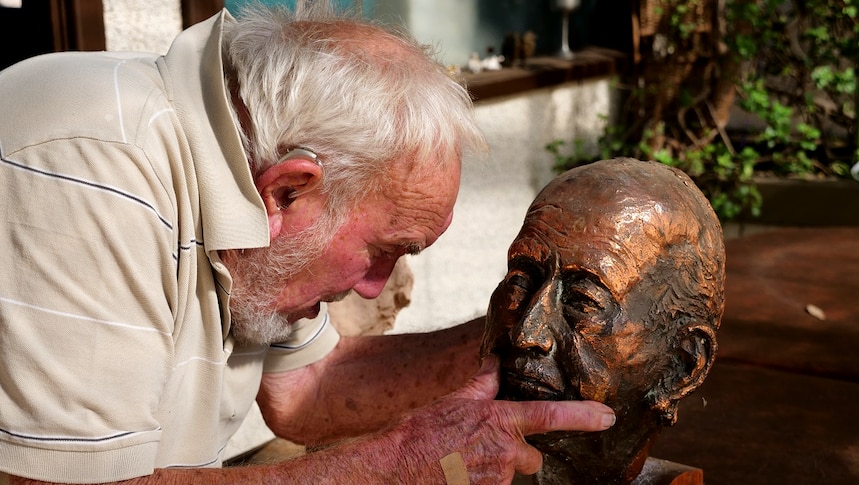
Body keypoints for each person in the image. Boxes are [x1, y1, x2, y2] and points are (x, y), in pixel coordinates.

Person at [0, 2, 617, 484]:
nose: (379, 285)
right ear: (289, 190)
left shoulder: (250, 178)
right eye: (386, 249)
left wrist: (524, 335)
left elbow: (312, 390)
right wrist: (390, 467)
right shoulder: (93, 168)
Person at [481, 159, 726, 484]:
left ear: (682, 366)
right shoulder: (452, 459)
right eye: (522, 280)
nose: (528, 334)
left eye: (582, 302)